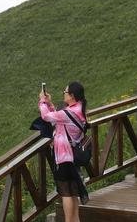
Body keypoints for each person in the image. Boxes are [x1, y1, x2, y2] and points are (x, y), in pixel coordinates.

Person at [38, 82, 89, 221]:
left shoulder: (69, 112)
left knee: (66, 193)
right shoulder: (79, 109)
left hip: (64, 157)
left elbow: (47, 117)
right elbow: (59, 118)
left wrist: (42, 101)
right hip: (73, 156)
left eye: (65, 92)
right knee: (73, 193)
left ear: (72, 96)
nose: (64, 94)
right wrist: (50, 104)